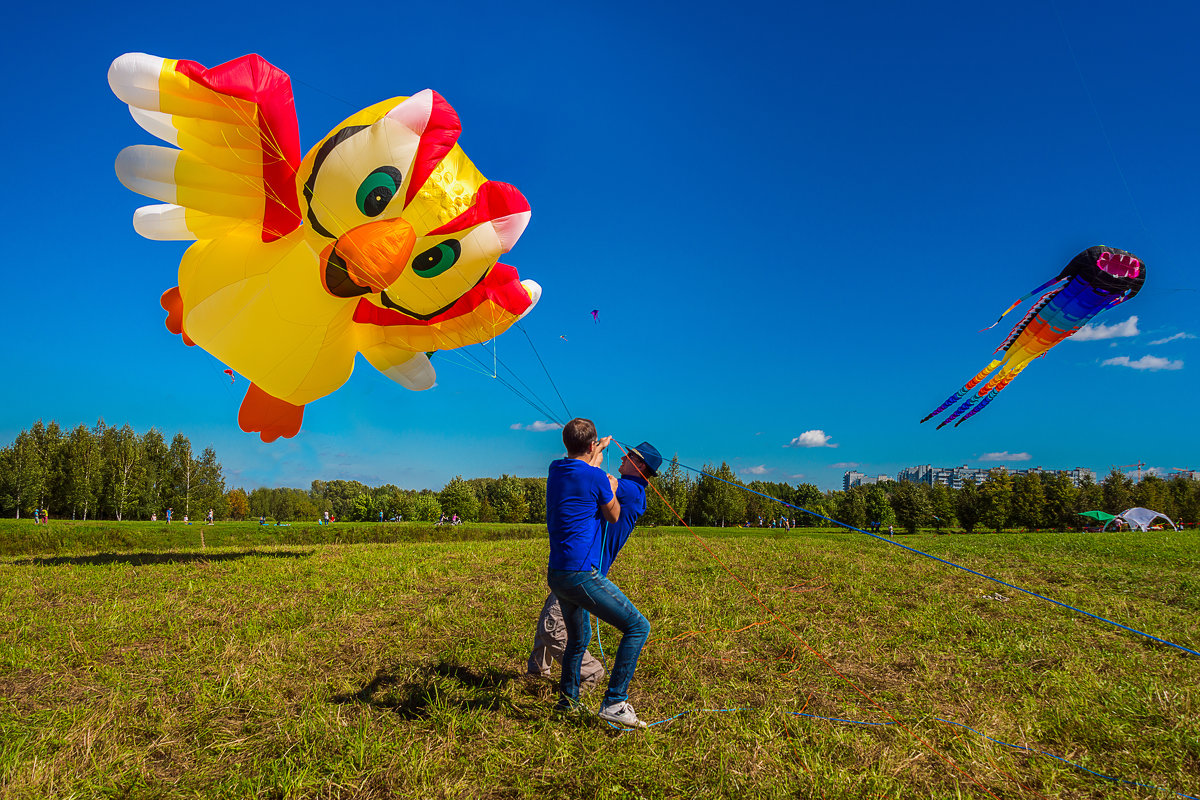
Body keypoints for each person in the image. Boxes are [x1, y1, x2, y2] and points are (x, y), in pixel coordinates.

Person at [544, 418, 658, 729]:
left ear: (640, 466)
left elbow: (593, 474)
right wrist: (596, 451)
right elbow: (593, 476)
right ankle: (614, 702)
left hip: (564, 572)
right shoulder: (598, 478)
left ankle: (568, 703)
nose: (623, 456)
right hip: (582, 572)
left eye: (630, 455)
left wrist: (594, 451)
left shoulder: (633, 490)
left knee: (580, 639)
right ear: (592, 446)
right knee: (637, 627)